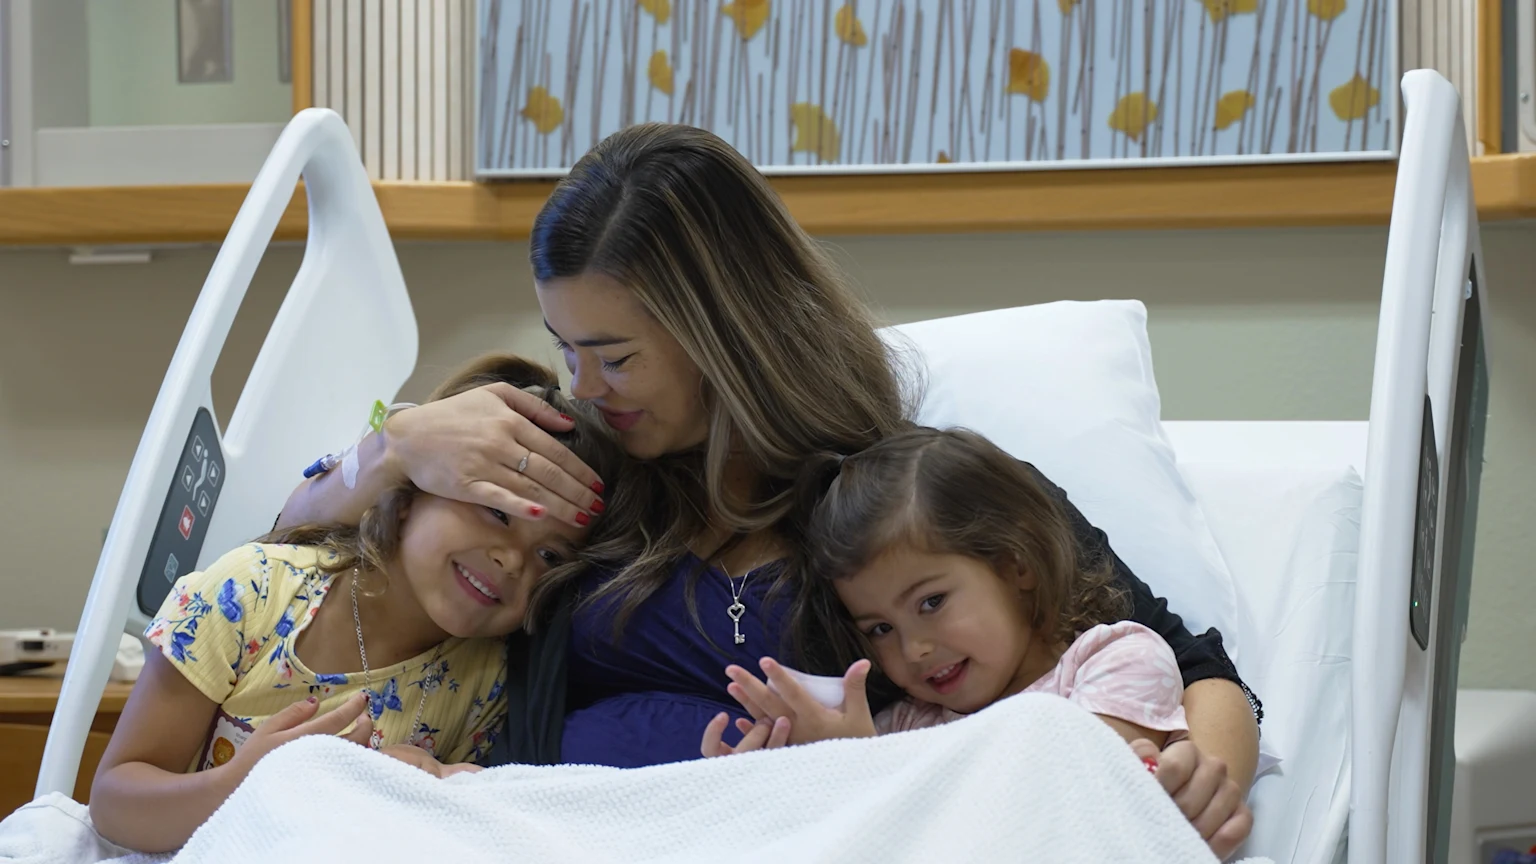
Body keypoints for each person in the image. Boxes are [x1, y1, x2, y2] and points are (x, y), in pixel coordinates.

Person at [275, 123, 1259, 856]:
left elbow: (1193, 662)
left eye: (613, 355)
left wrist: (1202, 780)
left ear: (719, 334)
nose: (581, 385)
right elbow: (287, 554)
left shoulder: (914, 501)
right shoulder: (570, 466)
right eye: (564, 348)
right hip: (541, 834)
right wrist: (386, 452)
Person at [90, 356, 627, 853]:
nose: (513, 562)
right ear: (409, 494)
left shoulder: (483, 680)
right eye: (498, 513)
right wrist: (236, 786)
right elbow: (114, 802)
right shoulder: (250, 595)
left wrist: (431, 788)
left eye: (550, 554)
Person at [700, 428, 1190, 772]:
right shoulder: (906, 724)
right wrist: (760, 782)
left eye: (931, 602)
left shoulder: (1116, 660)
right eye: (880, 629)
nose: (913, 650)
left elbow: (1062, 795)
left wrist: (865, 766)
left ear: (1014, 564)